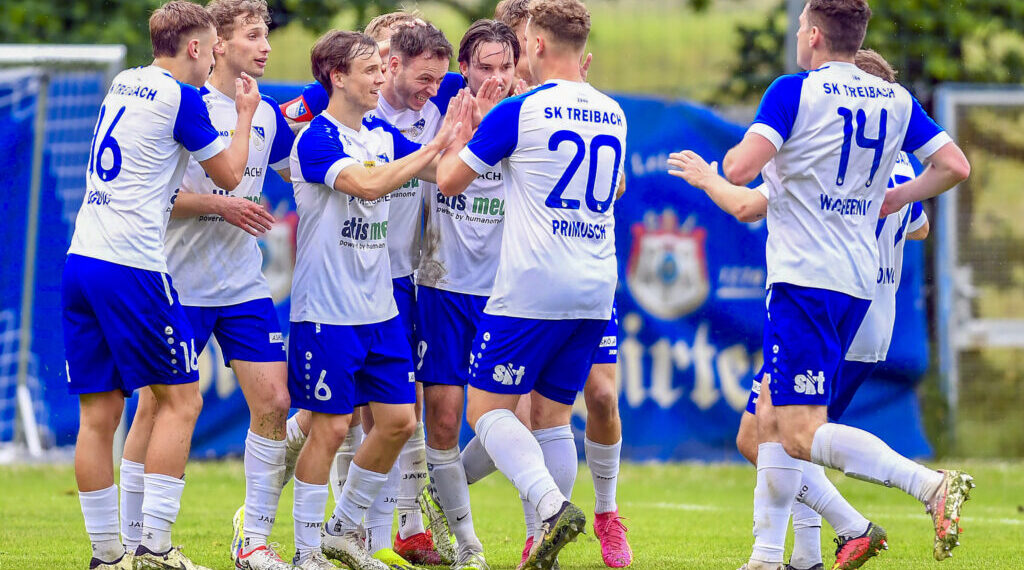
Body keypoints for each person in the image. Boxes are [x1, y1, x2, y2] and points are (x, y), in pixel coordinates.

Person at [689, 1, 971, 568]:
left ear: (814, 35)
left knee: (797, 433)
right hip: (857, 285)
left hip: (805, 283)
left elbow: (741, 172)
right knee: (767, 426)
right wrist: (897, 196)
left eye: (799, 28)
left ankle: (928, 487)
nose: (798, 36)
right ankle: (780, 558)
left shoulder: (794, 92)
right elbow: (955, 167)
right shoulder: (895, 99)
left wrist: (717, 167)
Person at [62, 1, 260, 569]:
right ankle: (154, 546)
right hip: (131, 266)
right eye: (211, 46)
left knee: (98, 418)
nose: (216, 56)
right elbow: (231, 177)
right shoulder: (183, 97)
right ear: (196, 47)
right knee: (183, 400)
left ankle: (106, 556)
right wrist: (244, 115)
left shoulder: (125, 81)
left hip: (82, 259)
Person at [436, 1, 627, 569]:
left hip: (532, 286)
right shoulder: (612, 110)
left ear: (535, 47)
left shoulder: (520, 110)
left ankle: (550, 508)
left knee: (487, 412)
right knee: (551, 418)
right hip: (595, 287)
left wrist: (461, 134)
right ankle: (549, 539)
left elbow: (449, 181)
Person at [285, 29, 467, 570]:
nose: (381, 78)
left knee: (396, 421)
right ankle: (305, 550)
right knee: (331, 427)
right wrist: (433, 150)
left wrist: (479, 140)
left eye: (382, 69)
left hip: (380, 308)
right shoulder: (316, 139)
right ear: (338, 77)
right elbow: (370, 186)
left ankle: (343, 529)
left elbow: (445, 173)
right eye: (370, 70)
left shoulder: (382, 136)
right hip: (327, 311)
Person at [144, 1, 293, 568]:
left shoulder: (268, 114)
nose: (265, 46)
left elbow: (304, 173)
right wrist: (224, 206)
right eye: (253, 35)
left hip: (242, 285)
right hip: (180, 283)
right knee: (156, 411)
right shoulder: (186, 104)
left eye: (267, 35)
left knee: (275, 402)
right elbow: (162, 199)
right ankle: (143, 539)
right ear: (218, 45)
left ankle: (252, 539)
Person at [413, 18, 519, 570]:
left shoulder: (531, 114)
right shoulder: (442, 110)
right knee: (447, 419)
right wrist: (454, 141)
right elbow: (415, 167)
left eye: (505, 67)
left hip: (507, 294)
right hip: (444, 284)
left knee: (514, 421)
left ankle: (435, 489)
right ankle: (468, 546)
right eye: (485, 67)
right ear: (465, 69)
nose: (496, 79)